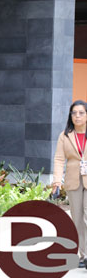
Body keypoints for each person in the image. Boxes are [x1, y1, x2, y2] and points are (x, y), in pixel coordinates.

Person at [53, 99, 87, 269]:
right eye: (74, 113)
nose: (77, 116)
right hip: (74, 181)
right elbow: (59, 159)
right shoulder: (65, 135)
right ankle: (84, 255)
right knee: (78, 218)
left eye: (81, 113)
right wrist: (57, 182)